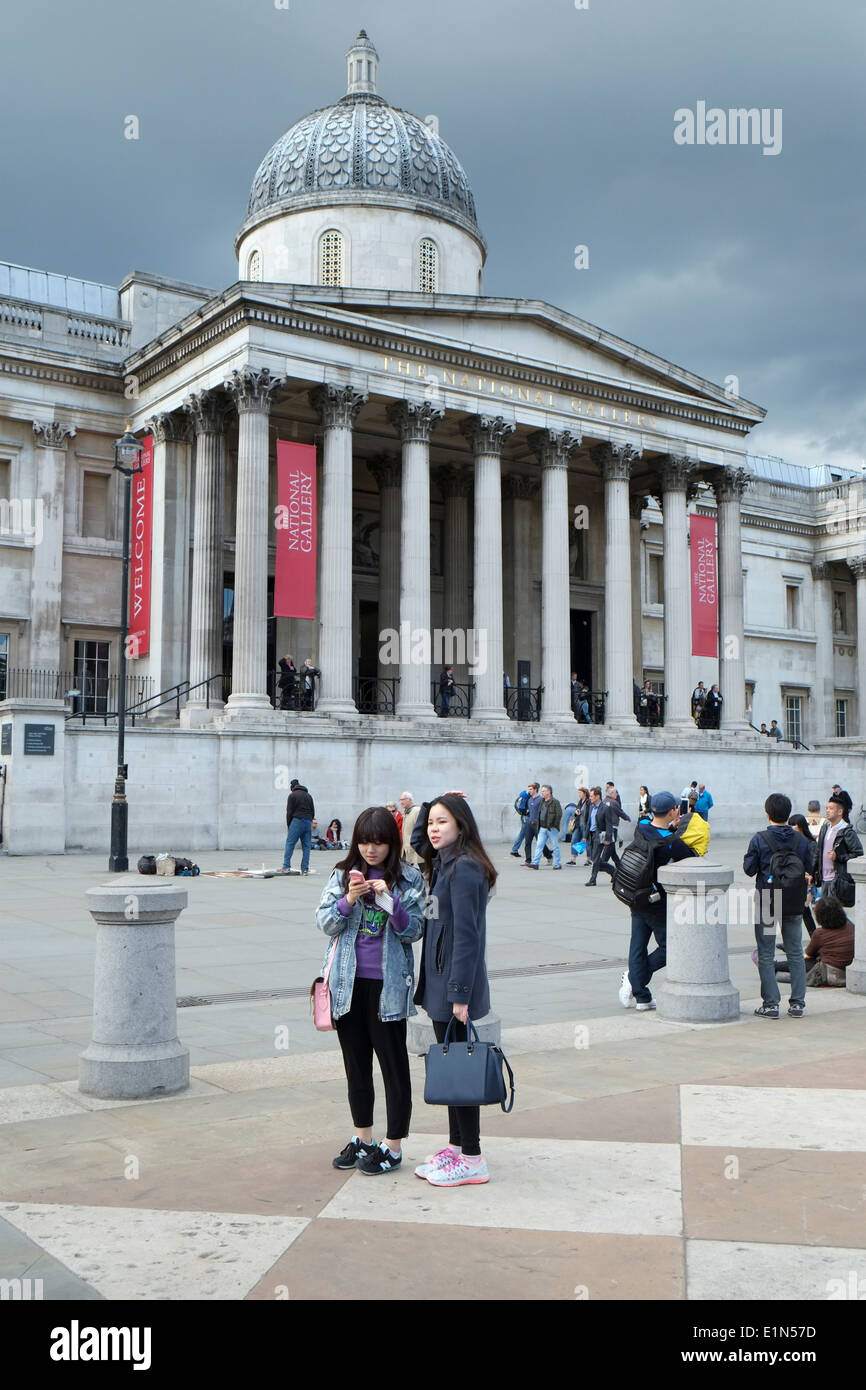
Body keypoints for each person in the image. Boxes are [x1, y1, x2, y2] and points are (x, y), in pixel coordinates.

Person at [316, 806, 426, 1175]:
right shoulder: (342, 874)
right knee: (356, 1067)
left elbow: (413, 931)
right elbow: (324, 921)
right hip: (347, 987)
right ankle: (363, 1138)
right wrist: (348, 899)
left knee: (394, 1068)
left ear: (391, 843)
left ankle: (392, 1147)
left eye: (379, 842)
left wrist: (388, 901)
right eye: (365, 841)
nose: (371, 849)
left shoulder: (408, 878)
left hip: (388, 988)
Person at [415, 794, 497, 1186]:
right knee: (449, 1065)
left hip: (453, 985)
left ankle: (473, 1156)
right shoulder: (442, 861)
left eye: (442, 821)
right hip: (439, 979)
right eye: (431, 821)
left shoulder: (463, 869)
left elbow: (468, 937)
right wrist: (434, 801)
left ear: (461, 826)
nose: (433, 829)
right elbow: (417, 841)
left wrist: (460, 993)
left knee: (460, 1069)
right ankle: (455, 1146)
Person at [618, 791, 698, 1011]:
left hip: (635, 894)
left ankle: (642, 997)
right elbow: (692, 859)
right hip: (656, 900)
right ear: (673, 811)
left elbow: (656, 832)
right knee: (670, 948)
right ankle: (635, 980)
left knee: (637, 946)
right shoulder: (671, 842)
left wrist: (670, 828)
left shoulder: (641, 827)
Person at [743, 792, 811, 1018]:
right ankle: (798, 1003)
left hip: (767, 901)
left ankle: (771, 1004)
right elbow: (811, 866)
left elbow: (749, 869)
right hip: (793, 900)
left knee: (766, 952)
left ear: (767, 813)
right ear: (788, 814)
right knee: (794, 951)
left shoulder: (760, 838)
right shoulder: (800, 839)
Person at [814, 793, 863, 907]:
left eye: (831, 808)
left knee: (833, 914)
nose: (827, 811)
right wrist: (813, 871)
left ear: (840, 812)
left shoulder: (847, 831)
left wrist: (838, 857)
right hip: (823, 879)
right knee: (827, 913)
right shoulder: (825, 828)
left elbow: (858, 854)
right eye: (826, 808)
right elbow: (818, 852)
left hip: (837, 880)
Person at [804, 894, 855, 987]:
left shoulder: (819, 933)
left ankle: (773, 967)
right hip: (847, 970)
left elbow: (807, 955)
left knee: (797, 963)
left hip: (830, 973)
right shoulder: (849, 926)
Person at [788, 812, 819, 936]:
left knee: (806, 912)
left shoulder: (810, 843)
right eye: (789, 825)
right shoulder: (792, 841)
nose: (791, 828)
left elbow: (813, 862)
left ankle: (815, 939)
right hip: (795, 882)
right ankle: (812, 938)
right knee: (802, 913)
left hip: (807, 883)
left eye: (793, 825)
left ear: (800, 826)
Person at [282, 778, 316, 875]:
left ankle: (286, 866)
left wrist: (289, 826)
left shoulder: (292, 795)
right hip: (308, 821)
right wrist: (309, 820)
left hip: (297, 820)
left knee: (290, 843)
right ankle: (305, 869)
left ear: (292, 787)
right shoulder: (309, 796)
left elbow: (289, 812)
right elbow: (313, 811)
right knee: (306, 846)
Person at [586, 786, 618, 885]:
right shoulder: (591, 807)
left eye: (591, 796)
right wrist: (585, 836)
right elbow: (589, 822)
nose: (590, 798)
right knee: (593, 858)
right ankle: (613, 871)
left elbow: (609, 824)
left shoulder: (605, 808)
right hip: (591, 835)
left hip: (600, 835)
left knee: (595, 859)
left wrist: (608, 838)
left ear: (597, 796)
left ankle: (593, 880)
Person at [529, 784, 563, 869]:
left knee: (555, 846)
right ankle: (535, 863)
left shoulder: (555, 802)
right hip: (542, 828)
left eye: (544, 791)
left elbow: (559, 814)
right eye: (542, 791)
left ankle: (558, 864)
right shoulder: (542, 801)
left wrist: (553, 825)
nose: (542, 792)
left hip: (551, 828)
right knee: (539, 845)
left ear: (549, 792)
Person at [568, 787, 591, 865]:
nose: (579, 794)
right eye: (578, 793)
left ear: (584, 793)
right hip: (578, 825)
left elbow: (589, 814)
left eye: (580, 793)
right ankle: (573, 859)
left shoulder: (588, 802)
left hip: (585, 825)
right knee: (574, 840)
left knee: (587, 842)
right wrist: (576, 813)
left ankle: (589, 860)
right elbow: (576, 813)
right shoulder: (580, 802)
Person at [399, 792, 422, 867]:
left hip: (416, 854)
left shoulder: (417, 811)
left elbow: (420, 831)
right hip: (407, 852)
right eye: (400, 800)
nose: (401, 802)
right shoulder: (406, 812)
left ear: (410, 800)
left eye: (403, 799)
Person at [523, 781, 542, 865]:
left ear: (535, 790)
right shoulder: (529, 799)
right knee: (527, 842)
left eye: (530, 789)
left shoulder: (541, 799)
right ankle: (528, 860)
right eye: (529, 789)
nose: (529, 791)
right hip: (529, 823)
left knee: (540, 842)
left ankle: (549, 856)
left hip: (537, 824)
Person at [510, 783, 532, 858]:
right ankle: (514, 850)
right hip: (526, 817)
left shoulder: (523, 794)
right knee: (523, 834)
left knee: (536, 834)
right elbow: (522, 808)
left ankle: (514, 850)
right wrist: (528, 811)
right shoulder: (526, 796)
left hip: (524, 817)